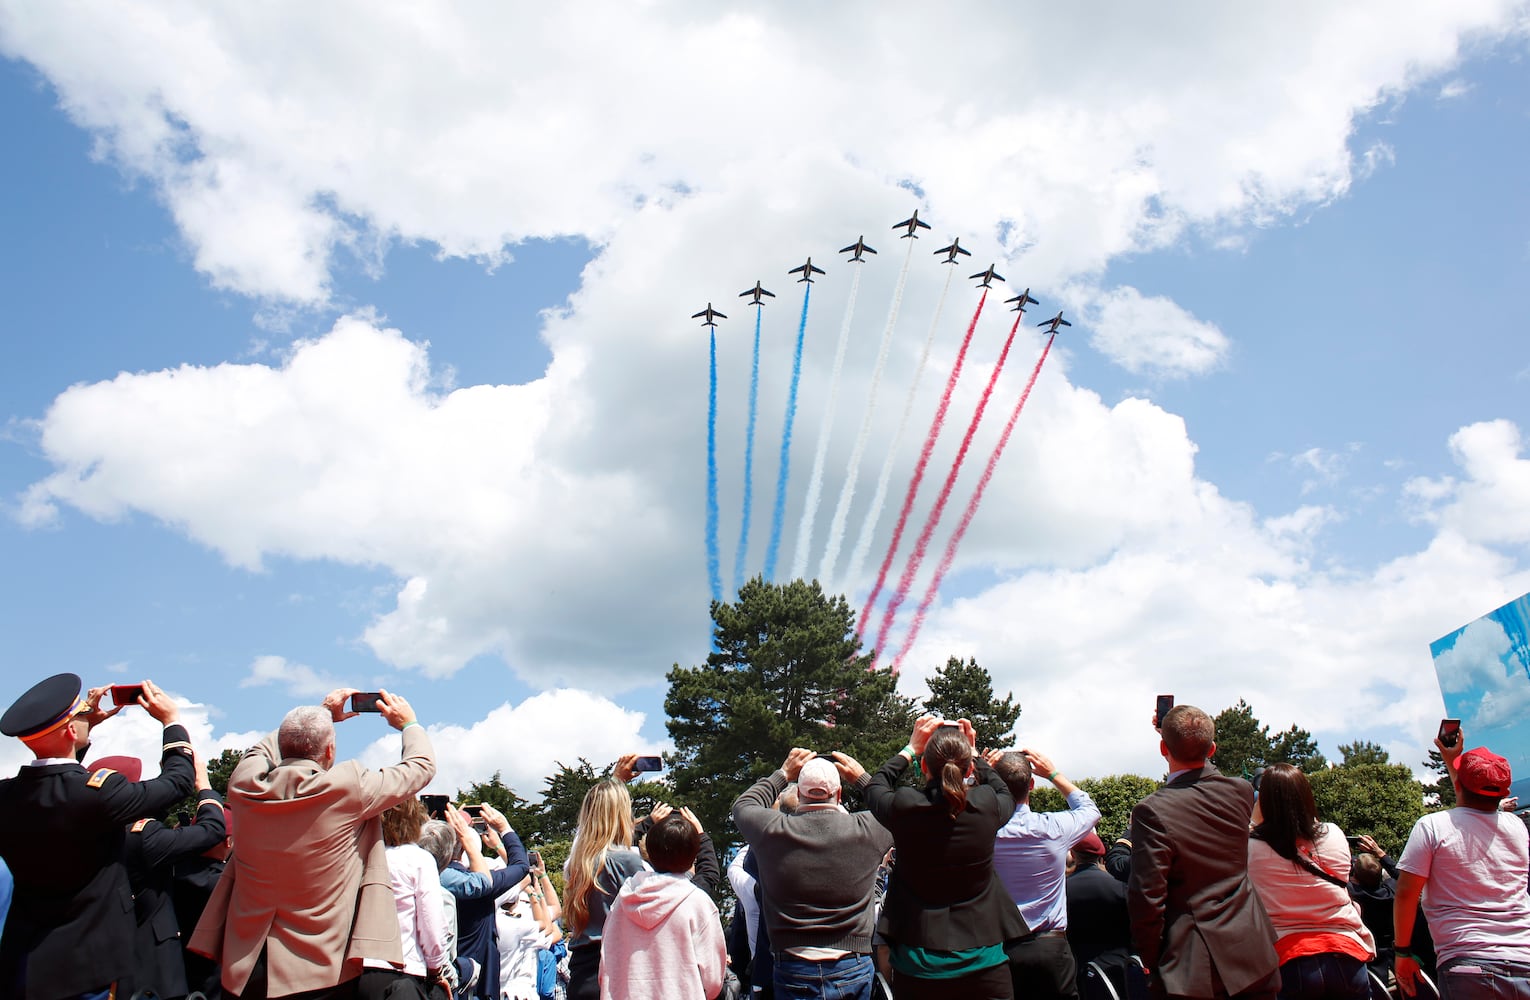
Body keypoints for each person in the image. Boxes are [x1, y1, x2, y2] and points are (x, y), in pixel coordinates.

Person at [189, 687, 435, 1000]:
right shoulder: (348, 787)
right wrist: (409, 724)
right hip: (319, 971)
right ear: (330, 752)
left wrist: (322, 714)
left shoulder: (245, 785)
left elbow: (259, 752)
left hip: (245, 966)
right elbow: (420, 767)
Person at [0, 674, 195, 1000]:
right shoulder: (99, 794)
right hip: (89, 967)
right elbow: (178, 781)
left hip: (24, 964)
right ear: (71, 730)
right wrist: (171, 721)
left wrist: (81, 732)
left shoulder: (7, 797)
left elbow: (56, 785)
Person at [866, 717, 1028, 999]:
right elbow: (1006, 793)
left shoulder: (906, 806)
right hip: (984, 962)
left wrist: (909, 749)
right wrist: (975, 754)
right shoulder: (987, 804)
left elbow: (876, 787)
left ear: (924, 765)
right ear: (968, 769)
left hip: (918, 965)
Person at [1127, 704, 1281, 1000]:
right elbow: (1208, 774)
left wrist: (1153, 960)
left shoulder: (1152, 811)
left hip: (1195, 968)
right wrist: (1182, 735)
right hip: (1254, 954)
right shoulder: (1241, 792)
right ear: (1212, 750)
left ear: (1162, 748)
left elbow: (1147, 897)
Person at [733, 747, 893, 1000]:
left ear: (798, 793)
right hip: (852, 965)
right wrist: (863, 779)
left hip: (793, 968)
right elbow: (896, 810)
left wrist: (783, 773)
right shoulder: (866, 829)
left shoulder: (774, 831)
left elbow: (743, 805)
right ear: (839, 794)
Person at [1393, 734, 1530, 1000]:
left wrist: (1402, 952)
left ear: (1458, 786)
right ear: (1505, 793)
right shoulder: (1516, 827)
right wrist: (1453, 759)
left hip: (1466, 966)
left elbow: (1407, 894)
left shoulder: (1431, 826)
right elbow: (1471, 804)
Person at [1245, 763, 1374, 1000]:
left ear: (1262, 802)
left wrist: (1254, 820)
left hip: (1290, 959)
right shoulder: (1334, 833)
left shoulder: (1250, 847)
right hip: (1347, 954)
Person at [989, 746, 1101, 1000]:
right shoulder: (1055, 827)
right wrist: (1053, 774)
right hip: (1050, 949)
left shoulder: (982, 830)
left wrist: (977, 778)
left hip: (999, 949)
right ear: (1031, 785)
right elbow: (1090, 810)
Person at [116, 750, 229, 1000]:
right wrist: (203, 788)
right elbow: (212, 830)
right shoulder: (142, 838)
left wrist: (171, 783)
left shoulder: (86, 830)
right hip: (154, 974)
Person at [599, 810, 729, 1000]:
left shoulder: (624, 899)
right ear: (694, 856)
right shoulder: (697, 903)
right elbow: (713, 979)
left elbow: (606, 960)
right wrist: (701, 836)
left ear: (648, 852)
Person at [357, 798, 451, 999]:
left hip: (356, 970)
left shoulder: (358, 857)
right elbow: (431, 921)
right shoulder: (418, 859)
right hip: (402, 970)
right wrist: (436, 966)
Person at [565, 778, 648, 1000]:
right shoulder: (627, 862)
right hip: (618, 969)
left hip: (581, 970)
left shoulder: (575, 864)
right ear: (621, 814)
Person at [451, 802, 530, 1000]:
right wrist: (504, 829)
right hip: (472, 983)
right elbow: (521, 867)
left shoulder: (426, 877)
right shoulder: (479, 887)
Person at [1065, 832, 1133, 974]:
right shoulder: (1118, 887)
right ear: (1100, 856)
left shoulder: (1063, 890)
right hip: (1117, 964)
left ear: (1073, 853)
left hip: (1078, 965)